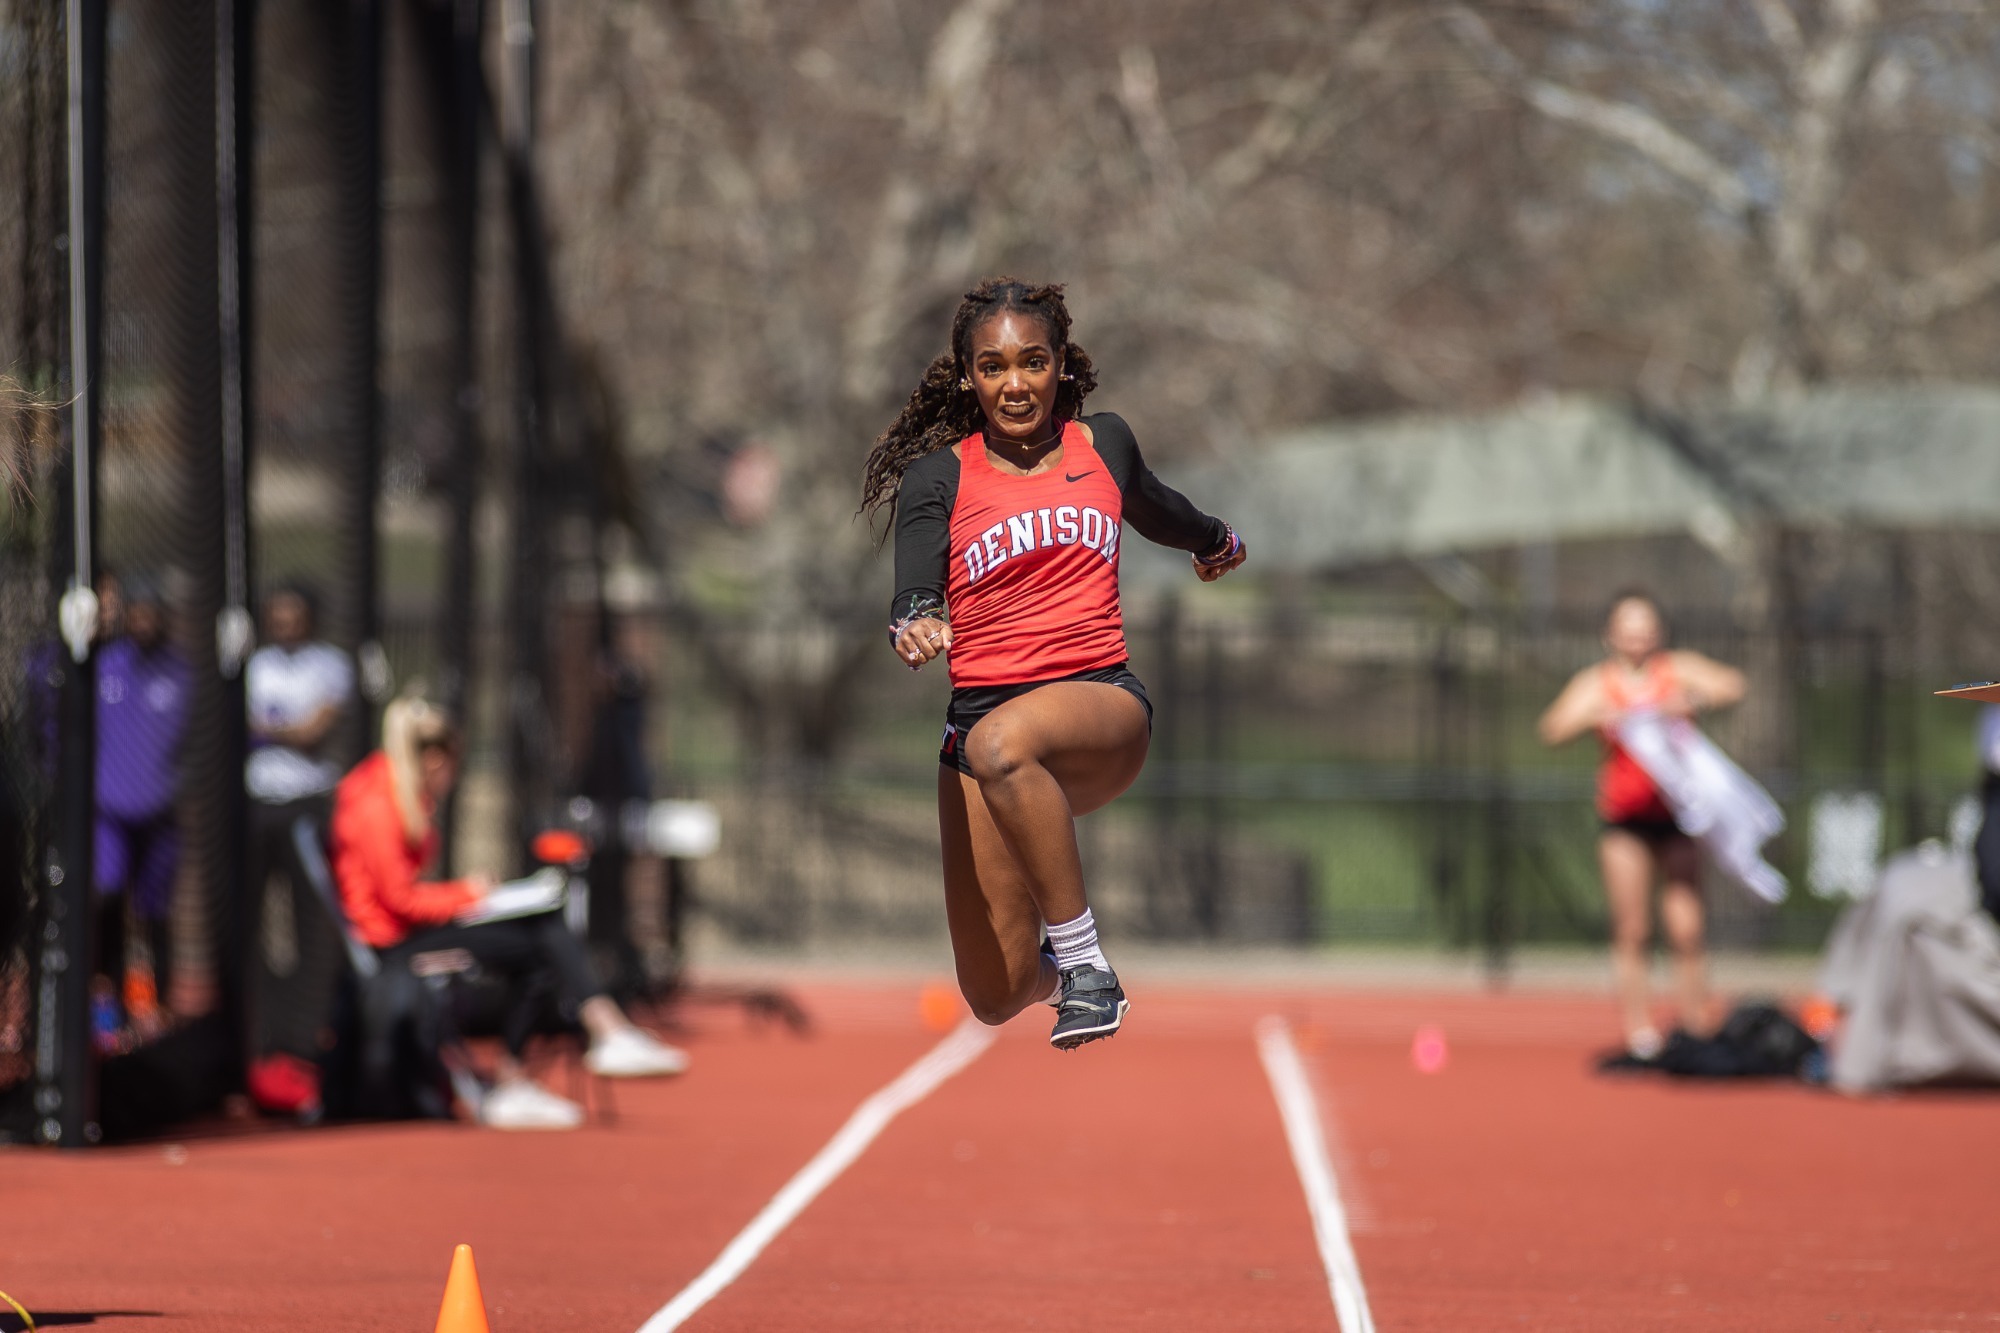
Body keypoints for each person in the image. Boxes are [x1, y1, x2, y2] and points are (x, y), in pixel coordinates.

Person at [860, 279, 1246, 1049]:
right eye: (994, 367)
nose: (1015, 385)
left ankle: (1086, 966)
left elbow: (1159, 504)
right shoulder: (941, 475)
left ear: (1061, 365)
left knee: (1004, 743)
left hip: (1096, 703)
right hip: (979, 737)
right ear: (969, 376)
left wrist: (1214, 540)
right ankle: (1053, 970)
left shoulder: (1101, 443)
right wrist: (917, 619)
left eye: (1033, 363)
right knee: (995, 993)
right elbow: (915, 584)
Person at [330, 696, 688, 1130]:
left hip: (410, 930)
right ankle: (574, 1043)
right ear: (435, 760)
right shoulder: (376, 804)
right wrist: (469, 895)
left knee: (542, 926)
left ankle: (595, 1032)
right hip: (394, 946)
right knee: (539, 946)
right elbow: (399, 901)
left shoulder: (395, 794)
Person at [1538, 591, 1746, 1059]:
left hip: (1677, 816)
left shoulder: (1676, 669)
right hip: (1626, 820)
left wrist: (1692, 698)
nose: (1637, 634)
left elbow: (1732, 685)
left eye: (1644, 624)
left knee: (1687, 927)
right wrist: (1596, 716)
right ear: (1610, 633)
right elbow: (1551, 727)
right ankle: (1641, 1031)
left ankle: (1695, 1022)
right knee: (1632, 928)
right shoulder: (1598, 682)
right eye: (1627, 625)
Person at [243, 583, 353, 1060]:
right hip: (258, 801)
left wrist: (270, 728)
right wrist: (286, 728)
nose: (285, 624)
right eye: (277, 615)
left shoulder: (330, 666)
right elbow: (241, 724)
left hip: (308, 803)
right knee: (251, 917)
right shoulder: (254, 666)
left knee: (311, 917)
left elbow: (314, 732)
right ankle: (257, 1030)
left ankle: (309, 1034)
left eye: (294, 615)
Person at [92, 573, 190, 1050]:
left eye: (153, 613)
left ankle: (159, 1008)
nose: (144, 622)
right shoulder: (103, 668)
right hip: (108, 811)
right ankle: (106, 1002)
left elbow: (199, 742)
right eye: (137, 613)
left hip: (159, 814)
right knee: (106, 896)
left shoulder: (181, 674)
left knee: (153, 910)